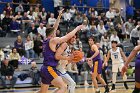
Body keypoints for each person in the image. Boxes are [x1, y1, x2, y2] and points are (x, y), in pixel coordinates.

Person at [36, 9, 85, 93]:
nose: (56, 34)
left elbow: (54, 28)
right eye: (54, 33)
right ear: (52, 35)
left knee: (42, 92)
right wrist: (77, 29)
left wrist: (59, 17)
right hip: (49, 68)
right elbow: (66, 37)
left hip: (44, 68)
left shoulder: (45, 40)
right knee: (63, 87)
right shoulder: (53, 40)